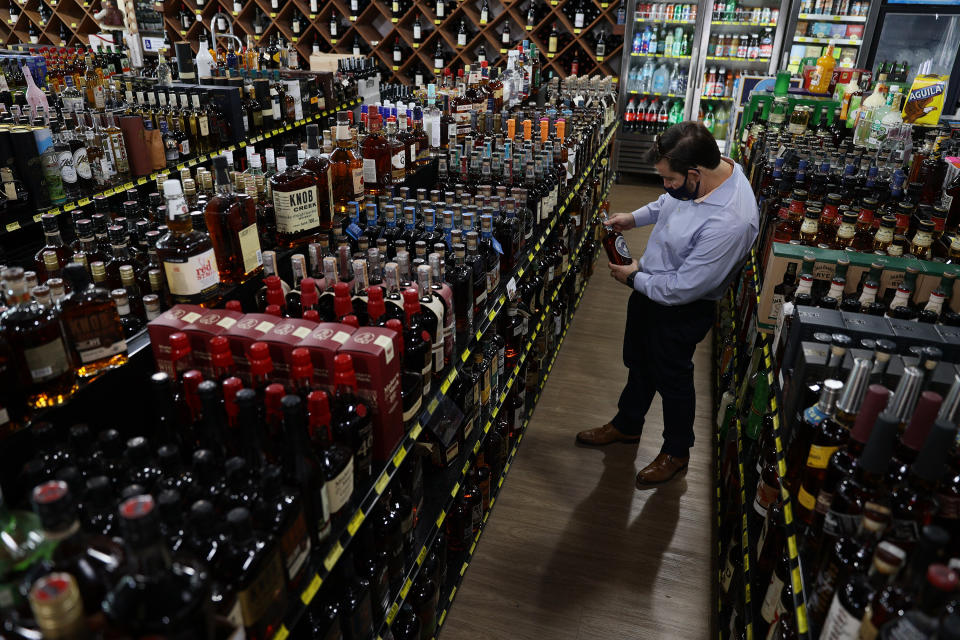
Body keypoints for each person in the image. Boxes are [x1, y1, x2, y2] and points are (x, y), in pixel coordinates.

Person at [576, 121, 759, 488]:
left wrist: (631, 278)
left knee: (672, 378)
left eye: (671, 179)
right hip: (650, 286)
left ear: (695, 173)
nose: (666, 186)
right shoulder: (702, 175)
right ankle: (628, 424)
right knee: (639, 360)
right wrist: (633, 218)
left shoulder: (732, 221)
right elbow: (666, 201)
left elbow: (682, 290)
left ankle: (677, 451)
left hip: (681, 308)